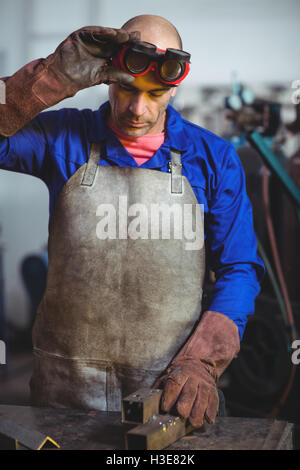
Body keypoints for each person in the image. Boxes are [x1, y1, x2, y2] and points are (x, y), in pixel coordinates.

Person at [0, 14, 264, 428]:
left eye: (155, 93)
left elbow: (239, 269)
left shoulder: (212, 158)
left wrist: (201, 362)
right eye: (125, 88)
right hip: (63, 391)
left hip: (169, 394)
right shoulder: (62, 137)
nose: (137, 109)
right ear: (107, 76)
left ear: (174, 87)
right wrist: (51, 77)